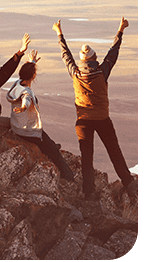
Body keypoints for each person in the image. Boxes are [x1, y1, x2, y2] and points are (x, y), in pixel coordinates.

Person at [52, 18, 137, 199]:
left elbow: (66, 56)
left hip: (83, 122)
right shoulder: (102, 72)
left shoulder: (75, 73)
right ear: (94, 58)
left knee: (87, 157)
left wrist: (59, 33)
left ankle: (89, 191)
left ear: (82, 60)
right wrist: (120, 30)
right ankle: (128, 183)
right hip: (102, 119)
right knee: (114, 151)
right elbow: (113, 53)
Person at [7, 50, 74, 181]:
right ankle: (68, 177)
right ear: (33, 76)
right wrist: (23, 108)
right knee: (54, 152)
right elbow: (26, 100)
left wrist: (32, 62)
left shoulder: (17, 84)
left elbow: (25, 76)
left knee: (49, 141)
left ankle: (52, 145)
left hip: (17, 125)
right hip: (27, 130)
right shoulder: (26, 92)